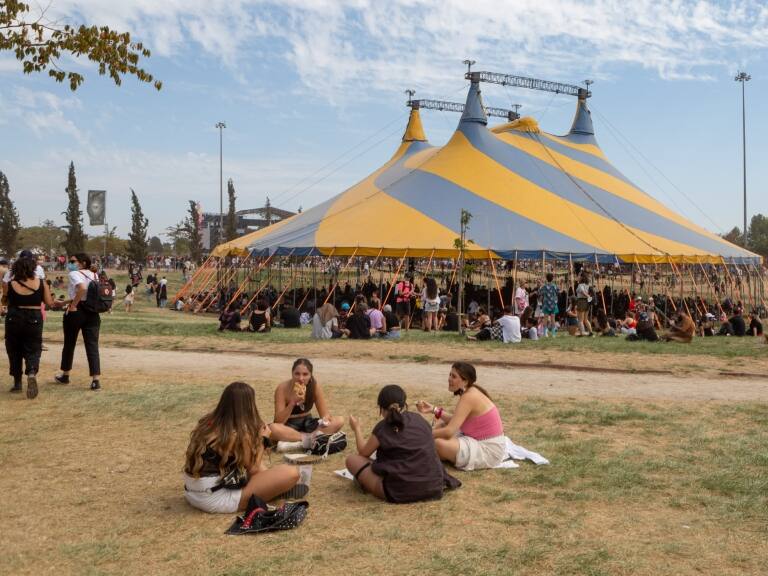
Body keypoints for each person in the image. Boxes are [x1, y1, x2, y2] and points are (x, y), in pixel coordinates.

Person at [183, 382, 302, 513]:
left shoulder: (208, 422)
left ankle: (273, 485)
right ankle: (275, 489)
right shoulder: (236, 434)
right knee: (292, 473)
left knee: (261, 466)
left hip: (193, 493)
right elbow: (254, 468)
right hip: (215, 499)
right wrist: (264, 440)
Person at [346, 385, 461, 503]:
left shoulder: (383, 428)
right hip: (433, 485)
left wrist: (356, 428)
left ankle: (369, 484)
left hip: (400, 491)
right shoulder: (419, 419)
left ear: (381, 408)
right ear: (404, 404)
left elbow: (363, 452)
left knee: (352, 460)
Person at [417, 362, 505, 471]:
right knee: (440, 425)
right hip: (479, 441)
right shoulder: (470, 391)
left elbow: (449, 432)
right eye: (450, 375)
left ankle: (423, 443)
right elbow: (457, 420)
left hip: (489, 451)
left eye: (454, 376)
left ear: (465, 381)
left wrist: (423, 434)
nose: (449, 379)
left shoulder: (469, 397)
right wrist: (433, 410)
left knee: (437, 443)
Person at [5, 256, 55, 398]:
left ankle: (17, 382)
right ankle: (32, 371)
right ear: (33, 268)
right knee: (33, 347)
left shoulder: (11, 283)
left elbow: (5, 301)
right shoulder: (41, 283)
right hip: (34, 317)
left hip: (14, 317)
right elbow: (49, 303)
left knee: (14, 349)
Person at [55, 253, 102, 391]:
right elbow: (86, 295)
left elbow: (82, 289)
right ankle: (95, 380)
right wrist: (64, 302)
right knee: (92, 345)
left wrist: (73, 305)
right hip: (92, 312)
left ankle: (65, 375)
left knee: (69, 343)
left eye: (73, 261)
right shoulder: (94, 275)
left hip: (77, 311)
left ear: (83, 263)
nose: (70, 263)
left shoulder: (74, 273)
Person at [271, 358, 344, 444]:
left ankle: (303, 440)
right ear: (292, 374)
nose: (301, 378)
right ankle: (311, 439)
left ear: (310, 375)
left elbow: (325, 414)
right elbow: (278, 421)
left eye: (305, 374)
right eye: (297, 374)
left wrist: (325, 420)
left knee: (339, 421)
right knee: (273, 428)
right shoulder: (282, 388)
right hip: (289, 425)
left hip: (308, 423)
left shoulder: (314, 386)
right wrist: (292, 403)